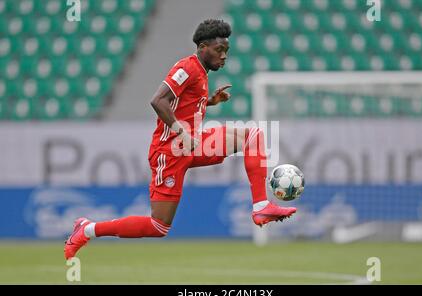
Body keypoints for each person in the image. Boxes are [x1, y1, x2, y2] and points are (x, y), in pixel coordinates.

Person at [64, 19, 296, 260]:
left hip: (191, 143)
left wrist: (210, 102)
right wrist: (181, 131)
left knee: (253, 136)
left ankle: (261, 207)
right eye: (219, 50)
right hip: (170, 150)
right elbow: (158, 101)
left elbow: (183, 104)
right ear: (202, 47)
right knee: (158, 226)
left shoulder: (201, 72)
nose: (224, 55)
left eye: (226, 50)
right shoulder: (187, 68)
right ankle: (88, 229)